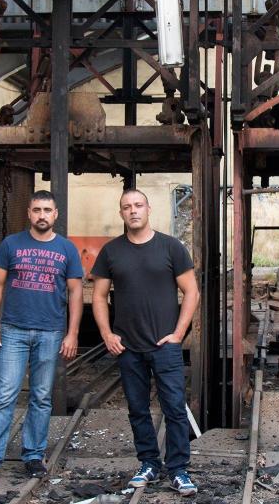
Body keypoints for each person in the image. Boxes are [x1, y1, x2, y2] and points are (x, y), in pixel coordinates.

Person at [91, 189, 200, 496]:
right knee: (138, 409)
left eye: (138, 205)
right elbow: (98, 296)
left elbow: (191, 291)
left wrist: (179, 334)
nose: (133, 211)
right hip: (128, 348)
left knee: (174, 408)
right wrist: (107, 334)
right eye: (127, 207)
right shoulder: (111, 251)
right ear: (121, 213)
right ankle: (149, 463)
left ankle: (179, 470)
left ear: (149, 209)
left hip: (165, 345)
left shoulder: (171, 247)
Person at [0, 190, 83, 487]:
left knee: (41, 397)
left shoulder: (67, 249)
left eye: (47, 210)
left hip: (50, 332)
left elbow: (76, 292)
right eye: (37, 210)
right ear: (29, 213)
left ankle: (33, 455)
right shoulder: (11, 244)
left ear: (55, 214)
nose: (42, 215)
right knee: (4, 395)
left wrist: (72, 333)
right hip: (13, 330)